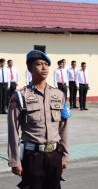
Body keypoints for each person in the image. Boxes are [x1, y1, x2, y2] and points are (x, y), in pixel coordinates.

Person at [8, 50, 70, 189]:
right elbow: (13, 130)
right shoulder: (20, 96)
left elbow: (63, 127)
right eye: (39, 64)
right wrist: (15, 161)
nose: (44, 68)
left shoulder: (59, 95)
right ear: (30, 68)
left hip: (54, 156)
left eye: (46, 64)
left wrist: (65, 155)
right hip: (32, 157)